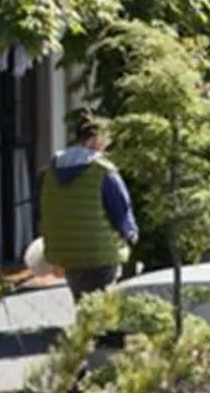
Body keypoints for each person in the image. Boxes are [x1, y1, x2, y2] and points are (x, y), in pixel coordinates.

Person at [39, 116, 137, 299]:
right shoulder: (103, 171)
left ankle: (84, 327)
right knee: (103, 305)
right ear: (96, 140)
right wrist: (130, 233)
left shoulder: (51, 171)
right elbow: (121, 210)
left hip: (66, 250)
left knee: (82, 301)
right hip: (101, 250)